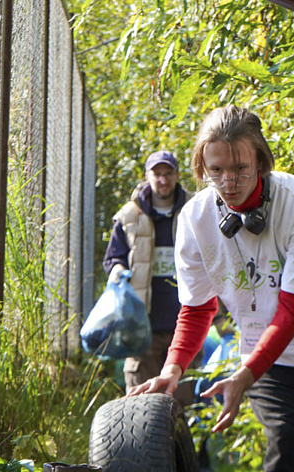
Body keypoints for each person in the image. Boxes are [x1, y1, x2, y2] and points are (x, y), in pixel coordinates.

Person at [128, 106, 294, 471]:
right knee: (287, 446)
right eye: (216, 170)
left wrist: (244, 376)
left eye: (240, 168)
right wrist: (173, 368)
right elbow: (198, 308)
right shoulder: (195, 220)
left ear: (260, 162)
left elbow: (292, 309)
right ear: (202, 167)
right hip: (270, 356)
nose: (228, 181)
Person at [102, 150, 199, 406]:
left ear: (178, 175)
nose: (163, 180)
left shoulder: (195, 211)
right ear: (147, 176)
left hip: (185, 325)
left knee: (181, 405)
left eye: (168, 173)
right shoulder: (129, 216)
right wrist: (117, 270)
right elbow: (113, 258)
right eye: (157, 174)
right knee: (140, 402)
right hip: (141, 325)